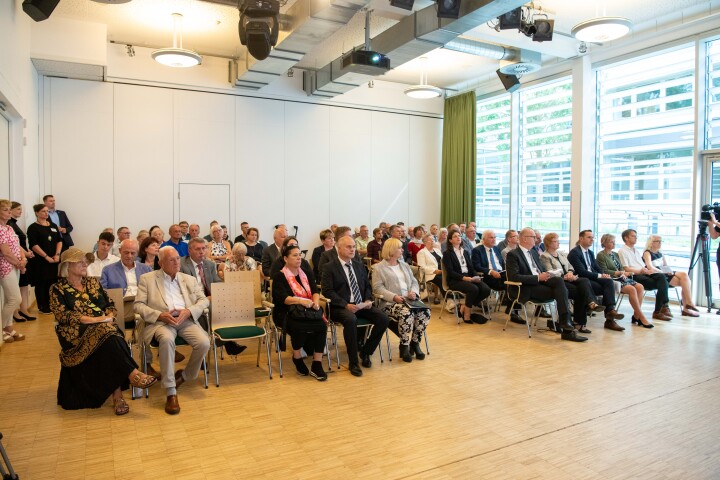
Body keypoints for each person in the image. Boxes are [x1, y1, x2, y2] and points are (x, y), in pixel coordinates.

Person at [50, 247, 158, 414]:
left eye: (85, 261)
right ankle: (128, 381)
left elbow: (110, 305)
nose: (85, 264)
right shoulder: (57, 289)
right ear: (67, 266)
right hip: (75, 333)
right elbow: (63, 315)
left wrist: (107, 315)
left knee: (108, 334)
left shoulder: (93, 282)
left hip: (103, 328)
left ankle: (119, 392)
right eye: (79, 261)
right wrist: (96, 320)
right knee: (109, 333)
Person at [135, 247, 211, 415]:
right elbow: (138, 305)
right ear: (161, 263)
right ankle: (171, 391)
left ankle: (185, 376)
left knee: (204, 342)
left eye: (177, 258)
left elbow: (204, 300)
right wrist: (160, 315)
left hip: (185, 320)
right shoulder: (147, 279)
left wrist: (189, 311)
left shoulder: (188, 279)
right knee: (167, 340)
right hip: (161, 323)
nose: (177, 262)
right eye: (172, 260)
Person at [321, 236, 389, 377]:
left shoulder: (358, 265)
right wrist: (346, 305)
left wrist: (368, 299)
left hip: (361, 305)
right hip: (340, 307)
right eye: (348, 247)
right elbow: (328, 291)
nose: (352, 249)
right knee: (351, 320)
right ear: (338, 248)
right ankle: (353, 362)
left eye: (353, 246)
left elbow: (366, 286)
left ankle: (366, 352)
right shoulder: (329, 267)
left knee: (383, 318)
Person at [505, 228, 588, 342]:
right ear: (524, 238)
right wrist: (538, 277)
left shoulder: (533, 252)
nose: (536, 239)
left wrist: (549, 274)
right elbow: (513, 277)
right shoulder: (513, 254)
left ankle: (565, 324)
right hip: (525, 287)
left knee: (559, 282)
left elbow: (542, 270)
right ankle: (567, 327)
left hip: (541, 282)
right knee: (562, 292)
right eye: (533, 237)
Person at [271, 245, 328, 380]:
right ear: (285, 258)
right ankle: (297, 357)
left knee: (321, 325)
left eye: (299, 255)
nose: (299, 258)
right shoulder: (280, 276)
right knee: (298, 326)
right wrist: (301, 301)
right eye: (294, 255)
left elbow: (315, 291)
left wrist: (315, 302)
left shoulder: (306, 273)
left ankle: (317, 363)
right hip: (286, 312)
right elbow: (283, 299)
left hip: (308, 310)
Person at [372, 238, 430, 363]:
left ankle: (415, 343)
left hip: (409, 300)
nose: (402, 250)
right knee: (406, 313)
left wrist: (414, 292)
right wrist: (394, 296)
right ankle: (404, 346)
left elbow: (414, 281)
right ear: (391, 250)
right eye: (399, 247)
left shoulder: (404, 265)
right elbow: (377, 288)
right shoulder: (378, 268)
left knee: (425, 312)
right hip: (390, 303)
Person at [539, 232, 606, 334]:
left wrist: (570, 273)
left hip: (570, 277)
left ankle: (591, 304)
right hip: (560, 281)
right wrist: (565, 276)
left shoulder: (561, 253)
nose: (558, 243)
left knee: (584, 281)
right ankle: (582, 319)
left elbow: (570, 267)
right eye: (555, 241)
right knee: (581, 291)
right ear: (548, 243)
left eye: (558, 241)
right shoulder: (544, 256)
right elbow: (550, 272)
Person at [567, 230, 626, 331]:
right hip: (582, 280)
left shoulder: (590, 252)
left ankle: (610, 310)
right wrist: (600, 275)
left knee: (609, 282)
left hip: (592, 279)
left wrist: (604, 274)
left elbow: (596, 267)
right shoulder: (574, 253)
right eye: (589, 237)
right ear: (581, 239)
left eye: (593, 238)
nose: (592, 240)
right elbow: (581, 272)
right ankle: (606, 317)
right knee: (603, 287)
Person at [596, 234, 653, 328]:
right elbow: (604, 270)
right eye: (611, 242)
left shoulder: (615, 254)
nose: (614, 243)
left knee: (640, 287)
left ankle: (636, 315)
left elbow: (621, 267)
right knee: (631, 289)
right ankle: (641, 317)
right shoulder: (601, 255)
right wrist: (618, 272)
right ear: (604, 243)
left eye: (614, 241)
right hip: (612, 278)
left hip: (622, 277)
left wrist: (624, 272)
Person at [617, 229, 672, 321]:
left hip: (644, 272)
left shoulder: (636, 251)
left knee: (662, 277)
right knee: (662, 283)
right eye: (633, 236)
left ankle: (660, 309)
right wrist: (641, 271)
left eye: (636, 236)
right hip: (635, 275)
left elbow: (642, 265)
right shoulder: (622, 251)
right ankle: (661, 308)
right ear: (626, 238)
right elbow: (626, 269)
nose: (636, 238)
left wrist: (647, 270)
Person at [471, 229, 524, 325]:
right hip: (488, 277)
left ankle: (513, 310)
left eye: (495, 237)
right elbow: (476, 266)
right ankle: (513, 310)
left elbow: (502, 264)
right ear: (484, 239)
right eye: (491, 237)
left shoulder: (496, 249)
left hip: (501, 274)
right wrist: (491, 271)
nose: (494, 239)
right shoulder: (477, 250)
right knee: (512, 282)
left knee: (516, 280)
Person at [442, 230, 491, 324]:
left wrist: (476, 276)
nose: (458, 237)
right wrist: (464, 278)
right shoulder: (447, 253)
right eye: (455, 236)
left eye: (459, 235)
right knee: (474, 289)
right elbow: (451, 272)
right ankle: (467, 315)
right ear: (450, 240)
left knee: (486, 289)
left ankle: (464, 306)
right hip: (455, 280)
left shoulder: (465, 252)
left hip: (469, 277)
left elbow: (471, 268)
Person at [643, 235, 699, 317]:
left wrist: (668, 271)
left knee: (684, 276)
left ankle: (688, 304)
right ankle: (687, 307)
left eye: (661, 241)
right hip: (656, 274)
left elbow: (666, 266)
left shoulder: (660, 253)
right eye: (657, 241)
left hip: (664, 272)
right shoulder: (647, 253)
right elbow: (650, 267)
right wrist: (663, 271)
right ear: (651, 243)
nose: (660, 243)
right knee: (684, 283)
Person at [27, 203, 62, 314]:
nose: (46, 213)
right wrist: (46, 257)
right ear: (37, 213)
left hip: (54, 259)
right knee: (42, 283)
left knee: (52, 283)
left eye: (47, 211)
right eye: (43, 211)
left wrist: (57, 254)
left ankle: (52, 304)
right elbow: (33, 245)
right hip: (40, 260)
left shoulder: (53, 226)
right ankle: (43, 306)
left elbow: (59, 241)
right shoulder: (33, 227)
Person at [0, 199, 26, 343]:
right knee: (16, 299)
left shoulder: (9, 228)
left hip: (15, 266)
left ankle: (8, 328)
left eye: (10, 209)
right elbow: (6, 253)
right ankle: (1, 327)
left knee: (11, 300)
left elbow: (18, 246)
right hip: (6, 267)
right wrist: (19, 263)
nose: (9, 212)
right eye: (5, 209)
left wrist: (22, 259)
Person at [8, 202, 35, 322]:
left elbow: (21, 243)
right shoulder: (9, 224)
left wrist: (27, 251)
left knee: (24, 285)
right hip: (16, 259)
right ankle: (15, 312)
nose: (21, 211)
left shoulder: (14, 224)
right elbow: (15, 245)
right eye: (18, 209)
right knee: (18, 286)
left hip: (22, 256)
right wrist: (25, 254)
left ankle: (24, 309)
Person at [416, 233, 444, 304]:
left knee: (450, 277)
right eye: (430, 240)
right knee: (442, 280)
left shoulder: (437, 250)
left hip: (442, 271)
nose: (432, 241)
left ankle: (450, 296)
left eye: (433, 239)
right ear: (425, 242)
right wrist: (434, 271)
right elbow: (422, 267)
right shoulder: (422, 252)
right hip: (430, 274)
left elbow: (444, 261)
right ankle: (449, 300)